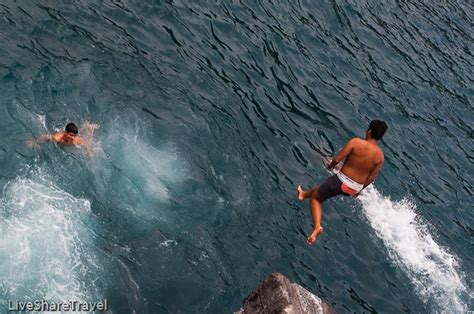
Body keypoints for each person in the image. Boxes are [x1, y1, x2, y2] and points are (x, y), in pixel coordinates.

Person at [297, 120, 388, 245]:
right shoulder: (380, 157)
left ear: (369, 131)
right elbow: (371, 178)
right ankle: (303, 194)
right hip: (354, 188)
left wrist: (331, 166)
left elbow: (337, 159)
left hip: (341, 181)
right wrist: (359, 191)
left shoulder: (356, 142)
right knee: (322, 190)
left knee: (316, 198)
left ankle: (316, 227)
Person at [28, 122, 98, 156]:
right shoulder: (57, 138)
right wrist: (35, 141)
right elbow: (46, 136)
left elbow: (87, 145)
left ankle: (91, 130)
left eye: (75, 135)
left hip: (66, 142)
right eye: (71, 135)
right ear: (65, 133)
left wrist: (89, 152)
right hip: (61, 139)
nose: (73, 137)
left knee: (89, 142)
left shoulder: (76, 140)